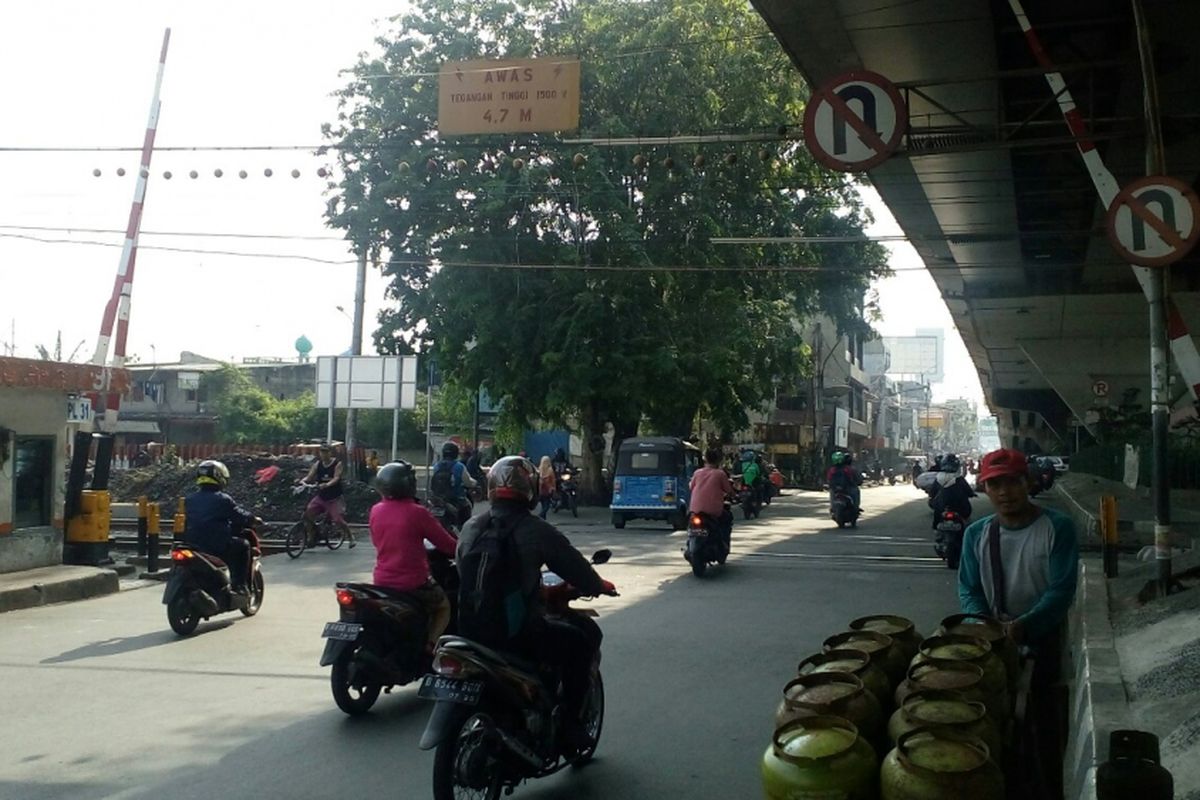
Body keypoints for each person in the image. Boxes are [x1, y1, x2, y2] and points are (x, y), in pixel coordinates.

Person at [456, 456, 616, 754]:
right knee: (581, 641)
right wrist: (598, 586)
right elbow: (576, 569)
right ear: (530, 488)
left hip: (468, 631)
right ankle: (570, 725)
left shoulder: (471, 527)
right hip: (517, 635)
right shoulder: (536, 529)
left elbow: (463, 574)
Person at [957, 447, 1078, 794]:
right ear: (985, 489)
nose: (1004, 492)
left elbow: (1061, 590)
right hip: (993, 645)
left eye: (1012, 482)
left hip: (1045, 642)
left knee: (1044, 729)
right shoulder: (976, 534)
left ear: (1028, 483)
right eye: (995, 485)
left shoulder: (1057, 528)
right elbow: (969, 588)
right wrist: (984, 625)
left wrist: (1026, 623)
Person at [370, 461, 459, 653]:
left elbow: (377, 541)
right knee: (443, 606)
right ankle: (429, 647)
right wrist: (462, 550)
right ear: (408, 484)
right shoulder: (417, 512)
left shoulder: (376, 510)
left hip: (381, 581)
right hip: (413, 584)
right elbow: (447, 545)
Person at [182, 460, 259, 592]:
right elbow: (240, 516)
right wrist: (254, 519)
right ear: (219, 477)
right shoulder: (223, 499)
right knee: (244, 545)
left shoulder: (189, 499)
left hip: (193, 545)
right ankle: (240, 585)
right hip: (217, 545)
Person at [300, 443, 356, 548]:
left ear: (330, 453)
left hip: (334, 498)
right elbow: (309, 476)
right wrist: (302, 481)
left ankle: (350, 537)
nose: (324, 454)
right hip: (321, 497)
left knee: (338, 519)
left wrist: (327, 484)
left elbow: (336, 478)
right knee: (307, 514)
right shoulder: (318, 464)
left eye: (326, 452)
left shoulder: (337, 464)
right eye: (322, 452)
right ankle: (312, 537)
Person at [689, 447, 734, 549]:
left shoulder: (697, 473)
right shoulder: (720, 474)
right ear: (718, 460)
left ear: (705, 459)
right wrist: (734, 495)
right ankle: (724, 544)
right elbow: (728, 490)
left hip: (695, 509)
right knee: (727, 518)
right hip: (713, 511)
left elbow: (691, 487)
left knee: (691, 525)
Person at [429, 441, 478, 526]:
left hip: (438, 499)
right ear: (456, 453)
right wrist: (475, 483)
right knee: (468, 506)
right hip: (456, 499)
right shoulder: (459, 466)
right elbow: (468, 482)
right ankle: (463, 531)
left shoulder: (437, 466)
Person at [929, 453, 976, 527]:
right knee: (967, 521)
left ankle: (937, 531)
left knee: (937, 514)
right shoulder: (959, 478)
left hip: (942, 506)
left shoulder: (938, 478)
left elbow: (932, 492)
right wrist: (972, 494)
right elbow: (968, 490)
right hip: (959, 507)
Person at [537, 455, 556, 519]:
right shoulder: (550, 470)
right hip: (548, 489)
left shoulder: (539, 469)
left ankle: (543, 518)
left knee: (543, 504)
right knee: (547, 506)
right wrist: (554, 487)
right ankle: (540, 516)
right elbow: (553, 480)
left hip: (541, 489)